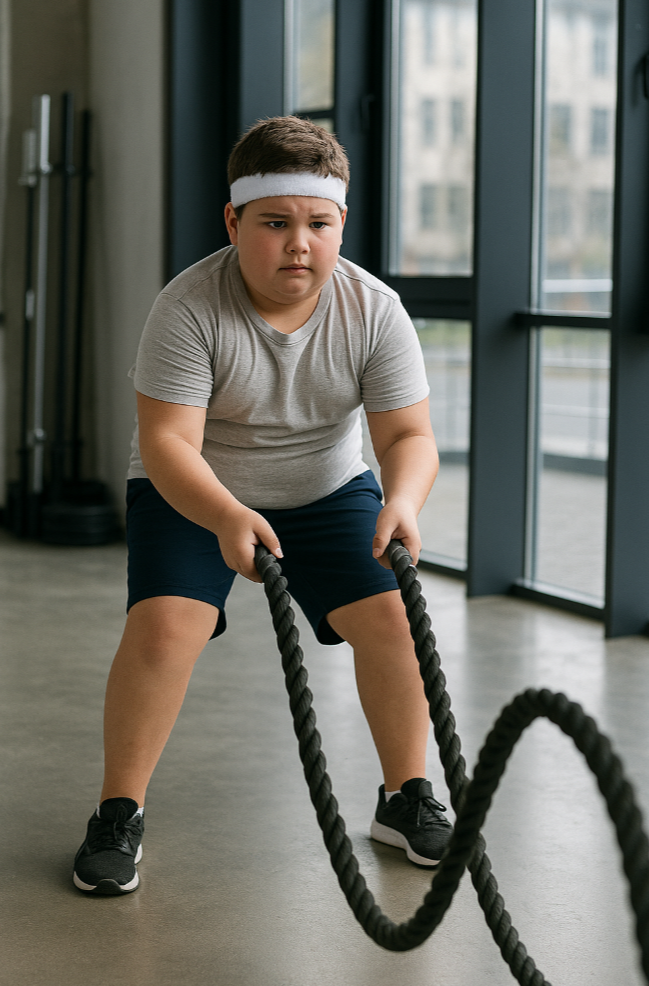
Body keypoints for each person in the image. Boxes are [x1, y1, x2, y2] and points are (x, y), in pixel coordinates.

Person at [73, 116, 452, 896]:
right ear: (234, 221)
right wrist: (223, 516)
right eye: (274, 223)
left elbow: (409, 434)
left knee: (394, 624)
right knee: (163, 627)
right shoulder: (187, 308)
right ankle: (118, 810)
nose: (298, 244)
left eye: (318, 224)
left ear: (340, 223)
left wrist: (404, 500)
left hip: (326, 489)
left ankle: (404, 796)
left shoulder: (374, 311)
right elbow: (170, 442)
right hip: (195, 490)